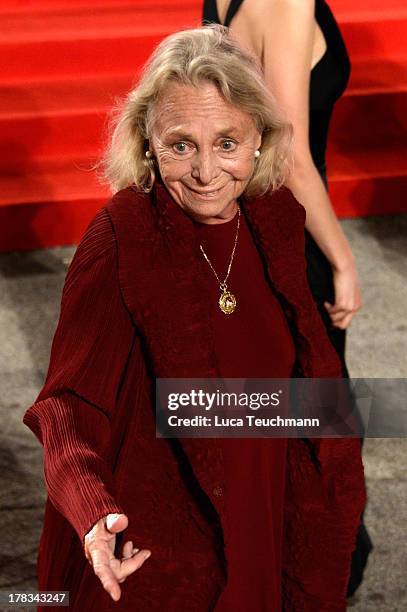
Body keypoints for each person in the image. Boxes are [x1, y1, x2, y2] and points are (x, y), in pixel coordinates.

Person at [23, 26, 366, 611]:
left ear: (259, 136)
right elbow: (67, 406)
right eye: (181, 145)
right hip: (161, 546)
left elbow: (307, 380)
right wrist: (92, 511)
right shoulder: (120, 239)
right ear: (148, 144)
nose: (208, 173)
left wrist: (335, 477)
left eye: (227, 142)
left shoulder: (275, 217)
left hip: (266, 522)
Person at [203, 0, 373, 597]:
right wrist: (344, 259)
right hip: (291, 235)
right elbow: (291, 154)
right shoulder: (290, 1)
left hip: (239, 230)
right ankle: (318, 568)